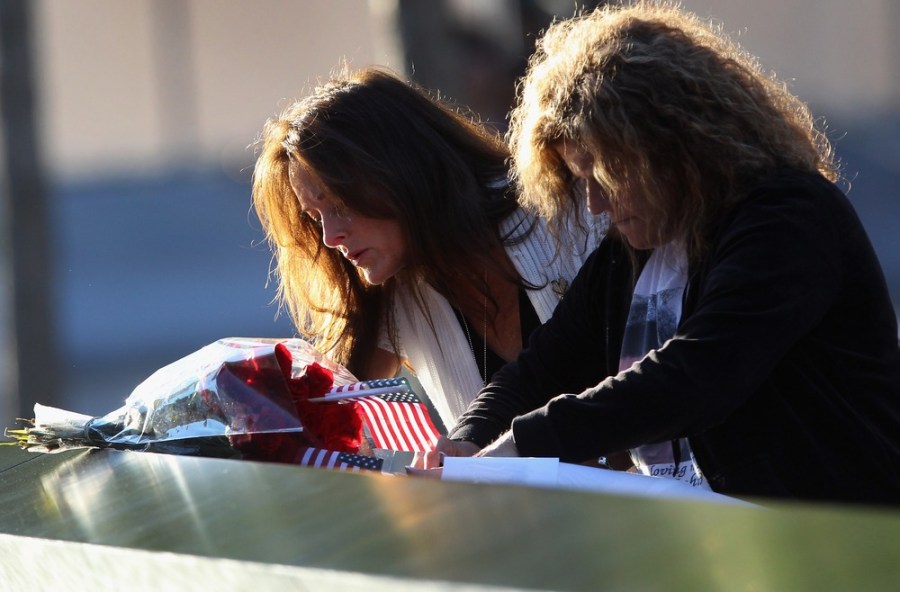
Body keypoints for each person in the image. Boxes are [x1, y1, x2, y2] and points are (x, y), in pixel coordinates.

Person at [423, 2, 900, 505]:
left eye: (604, 177)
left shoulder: (788, 215)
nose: (595, 205)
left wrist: (525, 443)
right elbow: (544, 366)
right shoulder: (633, 248)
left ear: (668, 149)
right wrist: (468, 440)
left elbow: (699, 375)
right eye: (581, 181)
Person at [251, 66, 605, 433]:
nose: (330, 236)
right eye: (315, 216)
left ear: (401, 170)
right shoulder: (389, 293)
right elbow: (322, 425)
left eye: (339, 204)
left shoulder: (571, 209)